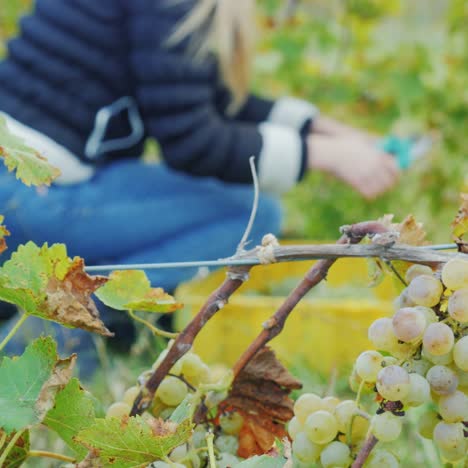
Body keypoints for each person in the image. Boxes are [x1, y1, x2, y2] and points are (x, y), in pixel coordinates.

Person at [0, 0, 399, 364]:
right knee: (250, 213)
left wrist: (321, 130)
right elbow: (191, 140)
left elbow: (186, 93)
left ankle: (67, 312)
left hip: (25, 182)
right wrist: (323, 154)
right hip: (27, 193)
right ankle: (49, 338)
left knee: (232, 204)